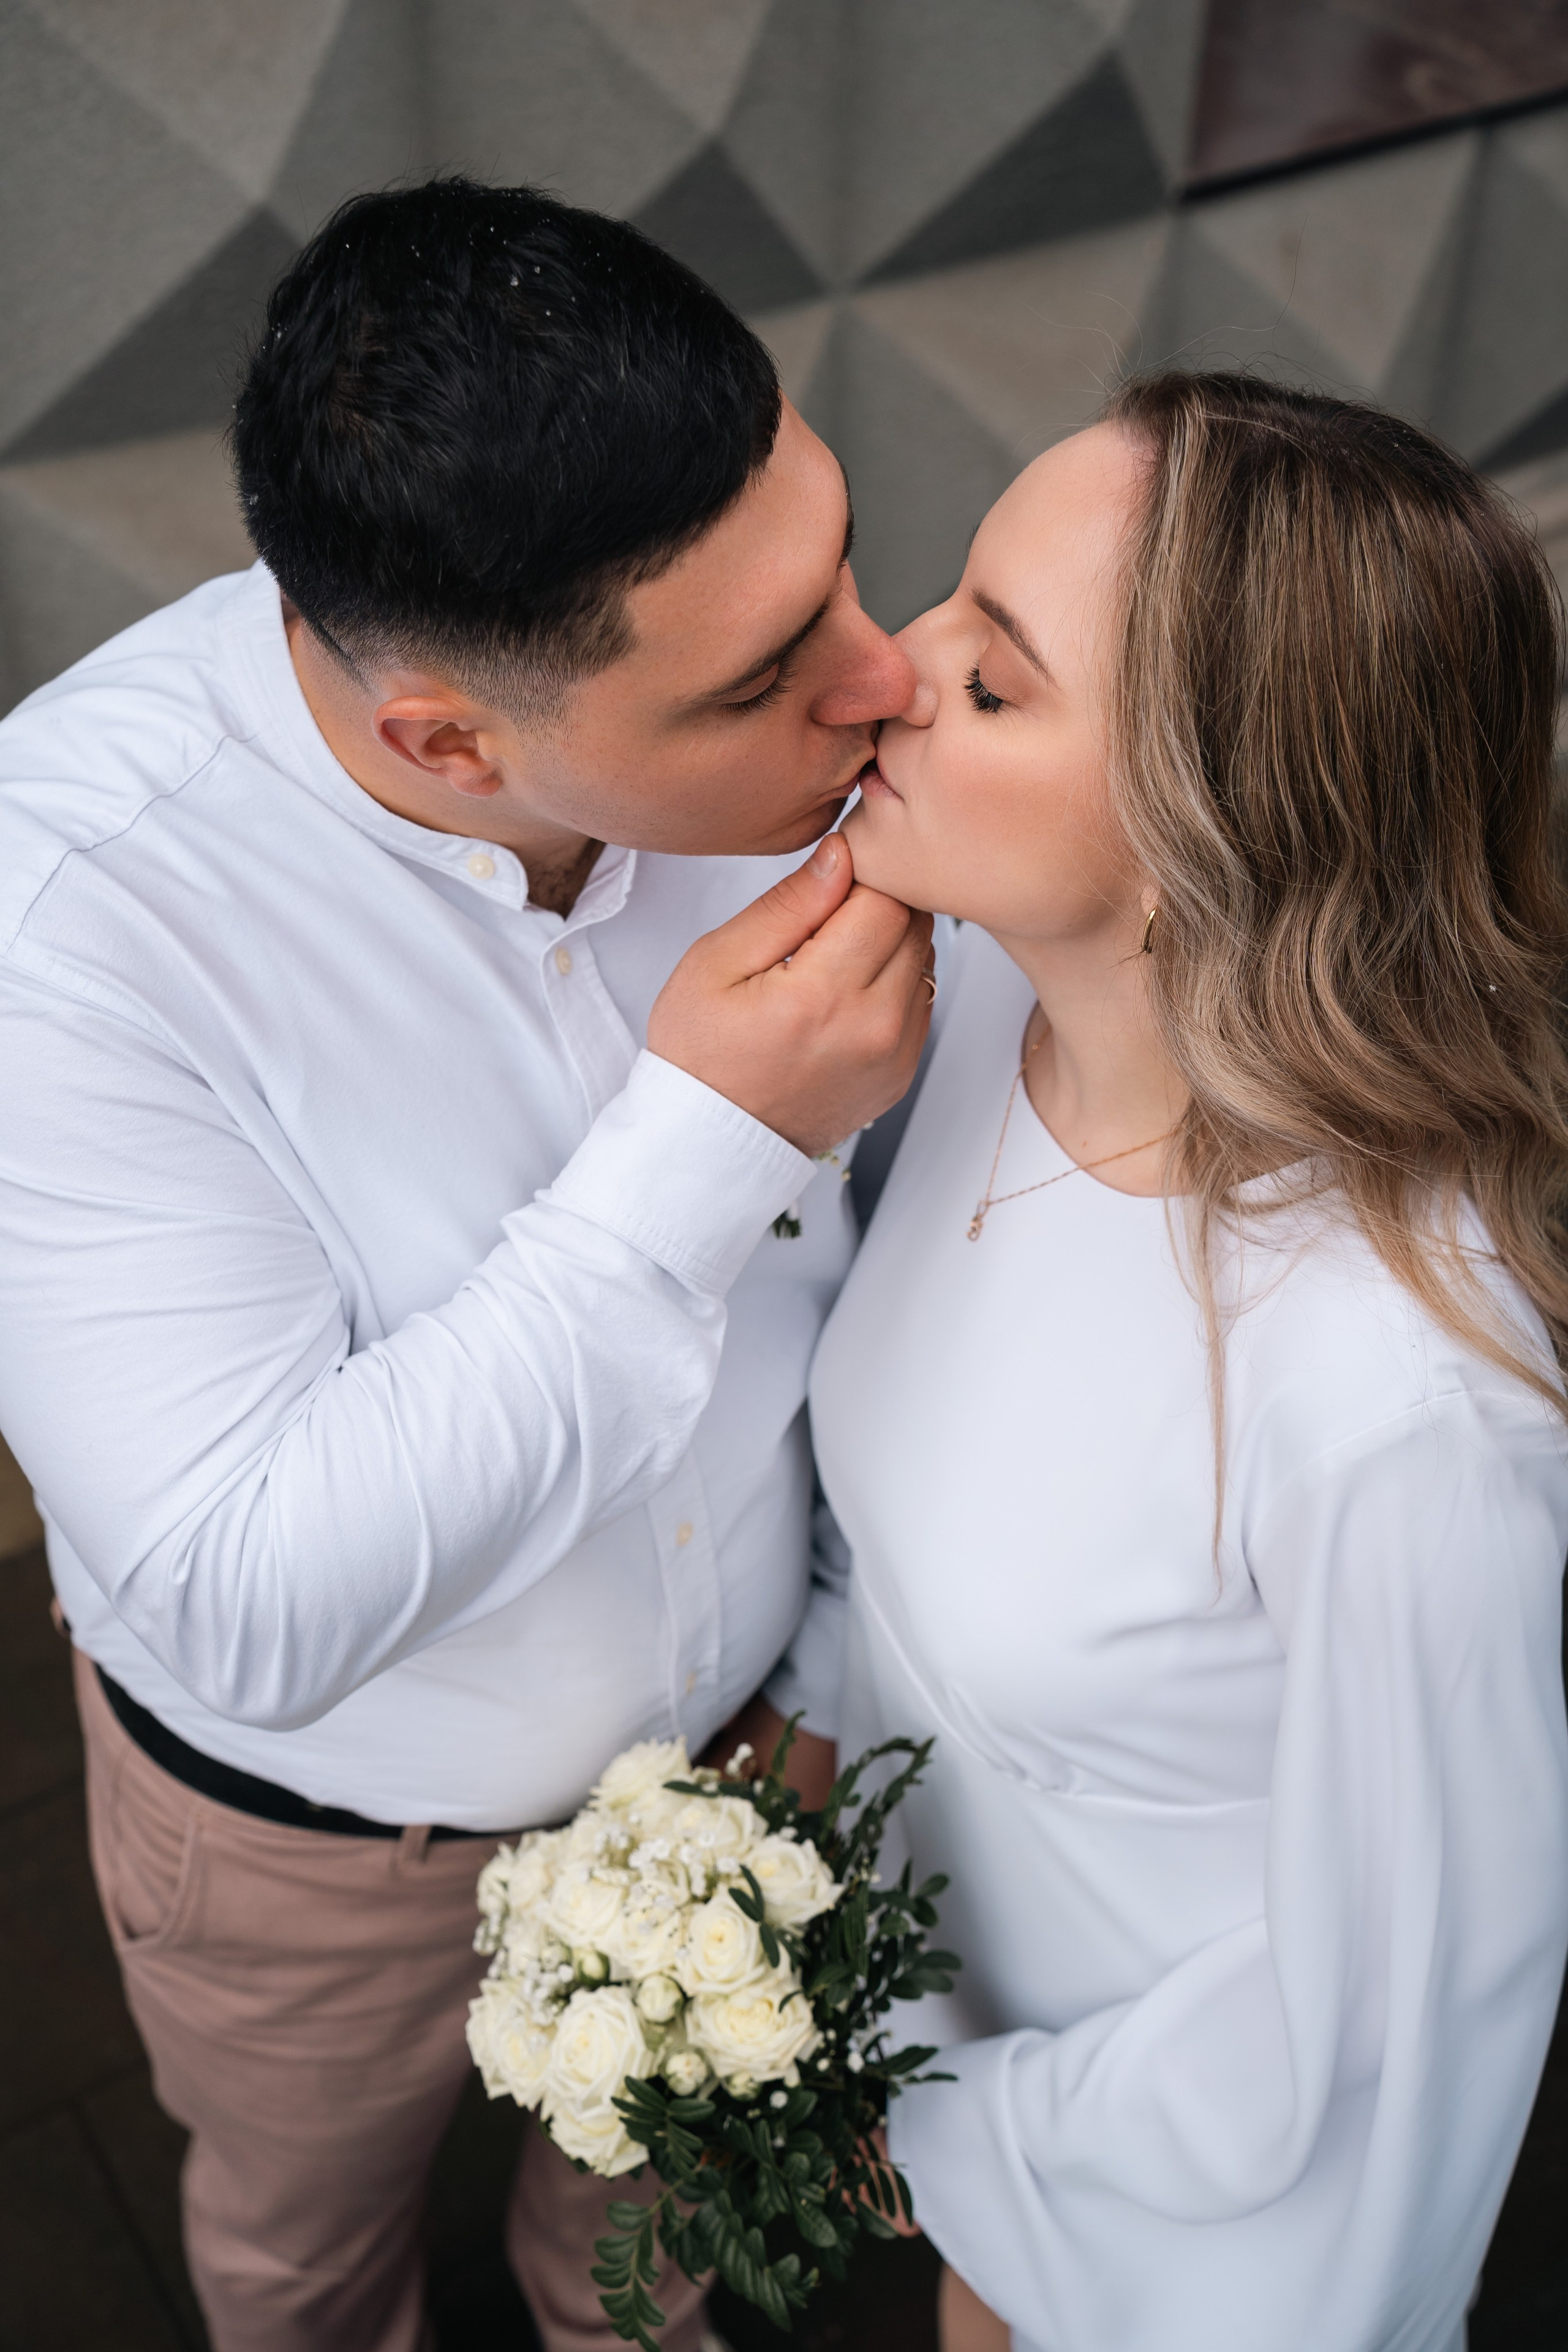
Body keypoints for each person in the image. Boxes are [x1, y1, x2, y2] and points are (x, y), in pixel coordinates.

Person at [0, 179, 929, 2352]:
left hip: (757, 1739)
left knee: (657, 2261)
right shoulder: (65, 927)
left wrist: (826, 1674)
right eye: (765, 677)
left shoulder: (830, 727)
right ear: (447, 740)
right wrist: (705, 1142)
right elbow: (244, 1586)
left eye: (840, 564)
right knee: (301, 2258)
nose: (884, 682)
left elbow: (910, 1262)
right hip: (333, 1852)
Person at [796, 372, 1568, 2351]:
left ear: (1200, 837)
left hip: (1194, 2215)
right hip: (957, 2043)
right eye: (952, 601)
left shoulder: (1397, 1401)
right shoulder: (984, 1003)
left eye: (992, 683)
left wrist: (965, 2139)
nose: (888, 671)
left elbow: (1388, 2018)